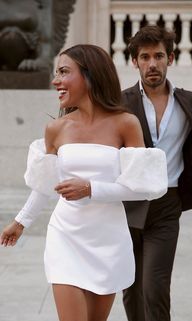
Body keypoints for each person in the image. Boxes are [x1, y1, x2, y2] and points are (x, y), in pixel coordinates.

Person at [0, 44, 168, 321]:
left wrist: (92, 189)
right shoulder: (56, 128)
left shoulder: (126, 124)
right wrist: (20, 222)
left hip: (108, 239)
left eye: (64, 72)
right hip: (66, 235)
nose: (56, 80)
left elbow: (142, 187)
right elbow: (46, 184)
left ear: (91, 75)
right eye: (56, 73)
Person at [121, 25, 192, 321]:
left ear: (170, 58)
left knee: (155, 288)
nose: (152, 64)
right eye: (144, 57)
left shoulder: (190, 100)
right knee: (131, 287)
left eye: (158, 56)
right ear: (135, 61)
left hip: (167, 204)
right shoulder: (121, 102)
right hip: (127, 206)